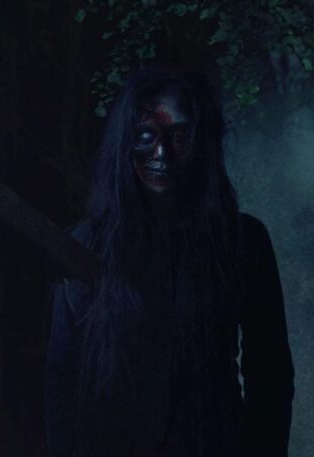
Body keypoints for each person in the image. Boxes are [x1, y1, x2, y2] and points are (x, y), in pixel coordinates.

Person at [45, 68, 294, 457]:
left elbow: (270, 373)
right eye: (146, 135)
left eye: (179, 136)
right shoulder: (89, 243)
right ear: (125, 141)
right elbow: (63, 375)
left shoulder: (244, 241)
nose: (162, 153)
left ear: (202, 141)